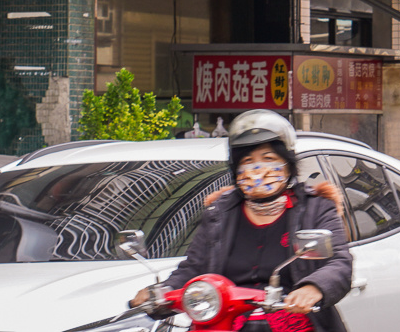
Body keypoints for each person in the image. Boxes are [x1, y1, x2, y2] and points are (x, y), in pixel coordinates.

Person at [130, 109, 354, 332]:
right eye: (247, 161)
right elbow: (193, 268)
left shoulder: (316, 208)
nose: (258, 170)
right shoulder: (220, 212)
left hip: (296, 323)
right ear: (236, 170)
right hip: (223, 322)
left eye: (268, 159)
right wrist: (160, 293)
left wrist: (313, 288)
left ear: (288, 165)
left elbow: (339, 263)